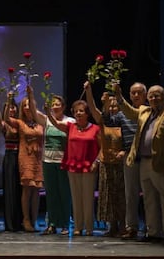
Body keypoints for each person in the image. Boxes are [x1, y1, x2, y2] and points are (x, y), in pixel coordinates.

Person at [115, 84, 164, 246]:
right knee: (149, 199)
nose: (153, 98)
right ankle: (153, 232)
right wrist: (119, 97)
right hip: (144, 161)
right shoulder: (144, 111)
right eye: (151, 95)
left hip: (161, 162)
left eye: (157, 95)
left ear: (163, 97)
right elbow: (129, 112)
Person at [46, 99, 100, 236]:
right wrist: (47, 111)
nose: (78, 114)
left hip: (88, 167)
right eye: (76, 111)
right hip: (73, 166)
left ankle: (89, 227)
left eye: (81, 111)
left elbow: (102, 147)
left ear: (87, 113)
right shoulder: (71, 127)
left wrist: (97, 161)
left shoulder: (95, 129)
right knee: (75, 198)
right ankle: (78, 227)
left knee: (87, 198)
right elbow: (55, 123)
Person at [102, 82, 147, 239]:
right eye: (133, 93)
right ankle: (132, 227)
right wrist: (106, 106)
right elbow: (108, 122)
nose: (136, 95)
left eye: (139, 92)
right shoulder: (123, 114)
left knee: (149, 194)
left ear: (145, 95)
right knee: (131, 194)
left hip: (147, 156)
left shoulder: (150, 112)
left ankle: (152, 228)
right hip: (130, 156)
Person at [28, 88, 73, 235]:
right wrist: (31, 95)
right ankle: (52, 224)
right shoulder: (46, 120)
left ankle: (66, 224)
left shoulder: (69, 121)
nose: (55, 106)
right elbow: (34, 113)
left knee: (64, 193)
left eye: (58, 103)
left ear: (63, 106)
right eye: (53, 104)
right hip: (48, 161)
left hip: (63, 162)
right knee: (51, 194)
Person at [85, 82, 126, 237]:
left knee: (121, 196)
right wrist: (89, 91)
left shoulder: (124, 122)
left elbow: (129, 142)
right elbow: (92, 106)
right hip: (106, 164)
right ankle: (112, 225)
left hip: (120, 164)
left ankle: (123, 225)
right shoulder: (103, 121)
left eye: (115, 106)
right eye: (110, 106)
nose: (112, 108)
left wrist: (123, 152)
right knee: (107, 195)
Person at [4, 88, 44, 232]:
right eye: (25, 105)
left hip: (38, 158)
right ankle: (26, 219)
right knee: (27, 189)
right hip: (25, 157)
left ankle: (34, 219)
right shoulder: (20, 123)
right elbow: (6, 119)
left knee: (36, 190)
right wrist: (9, 102)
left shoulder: (40, 122)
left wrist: (31, 95)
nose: (27, 108)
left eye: (29, 105)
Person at [1, 96, 22, 232]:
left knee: (19, 191)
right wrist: (8, 101)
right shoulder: (5, 123)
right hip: (9, 157)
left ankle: (19, 221)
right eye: (9, 107)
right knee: (9, 190)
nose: (12, 109)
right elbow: (4, 117)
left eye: (14, 107)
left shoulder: (21, 123)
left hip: (21, 157)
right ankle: (9, 223)